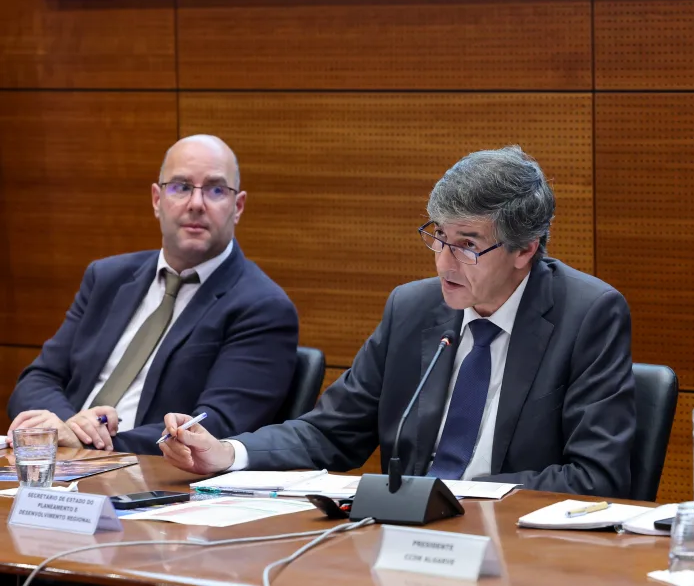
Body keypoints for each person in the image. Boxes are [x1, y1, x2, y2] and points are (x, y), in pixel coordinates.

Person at [160, 146, 635, 498]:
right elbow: (330, 432)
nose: (444, 262)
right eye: (439, 236)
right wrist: (228, 453)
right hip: (404, 538)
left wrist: (455, 497)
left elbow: (597, 476)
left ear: (525, 249)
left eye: (467, 245)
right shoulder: (413, 308)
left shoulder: (587, 315)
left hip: (517, 547)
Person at [7, 135, 299, 456]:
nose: (196, 204)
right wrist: (69, 428)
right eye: (181, 187)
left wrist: (92, 445)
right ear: (157, 199)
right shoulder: (107, 277)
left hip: (147, 473)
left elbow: (218, 425)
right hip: (59, 461)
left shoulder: (263, 307)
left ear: (237, 206)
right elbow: (38, 379)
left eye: (215, 190)